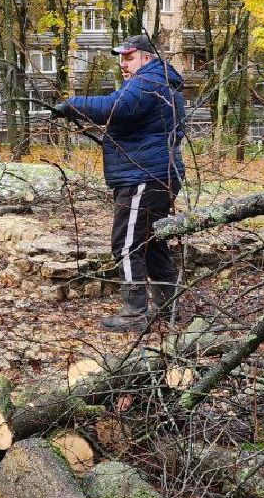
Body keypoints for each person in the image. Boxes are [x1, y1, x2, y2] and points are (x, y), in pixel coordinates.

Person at [59, 34, 187, 332]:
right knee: (151, 241)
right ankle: (168, 308)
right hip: (156, 173)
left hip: (144, 175)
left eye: (128, 57)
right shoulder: (160, 82)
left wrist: (72, 104)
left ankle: (133, 314)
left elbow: (115, 108)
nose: (123, 63)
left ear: (146, 57)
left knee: (127, 244)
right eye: (121, 58)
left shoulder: (149, 81)